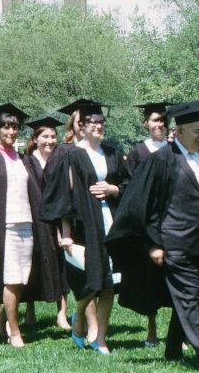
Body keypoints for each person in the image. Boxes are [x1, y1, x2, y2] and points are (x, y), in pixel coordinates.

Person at [111, 100, 199, 372]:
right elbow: (147, 206)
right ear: (180, 131)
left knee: (194, 296)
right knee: (189, 298)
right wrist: (153, 244)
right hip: (175, 243)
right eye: (197, 131)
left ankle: (172, 349)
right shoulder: (161, 160)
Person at [0, 104, 61, 347]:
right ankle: (14, 331)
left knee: (20, 279)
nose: (11, 131)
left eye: (15, 126)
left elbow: (37, 194)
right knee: (10, 278)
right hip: (3, 227)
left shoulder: (25, 160)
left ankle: (3, 324)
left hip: (27, 226)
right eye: (6, 126)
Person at [41, 100, 129, 355]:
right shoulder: (70, 155)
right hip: (85, 226)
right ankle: (79, 318)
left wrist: (113, 189)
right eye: (94, 123)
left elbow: (129, 185)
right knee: (91, 282)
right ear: (81, 125)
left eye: (102, 123)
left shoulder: (112, 152)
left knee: (109, 282)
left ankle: (100, 338)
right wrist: (66, 234)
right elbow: (63, 198)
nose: (99, 127)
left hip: (112, 223)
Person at [119, 101, 172, 347]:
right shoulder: (138, 153)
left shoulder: (175, 150)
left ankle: (177, 333)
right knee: (151, 279)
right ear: (145, 124)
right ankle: (151, 330)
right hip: (149, 225)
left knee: (176, 278)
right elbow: (132, 190)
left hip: (173, 221)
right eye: (154, 120)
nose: (159, 124)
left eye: (163, 119)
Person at [23, 115, 71, 331]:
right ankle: (30, 308)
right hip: (32, 220)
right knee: (31, 265)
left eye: (53, 136)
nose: (50, 140)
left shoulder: (60, 160)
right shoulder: (26, 162)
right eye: (45, 136)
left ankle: (61, 313)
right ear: (35, 138)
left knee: (60, 265)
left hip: (56, 221)